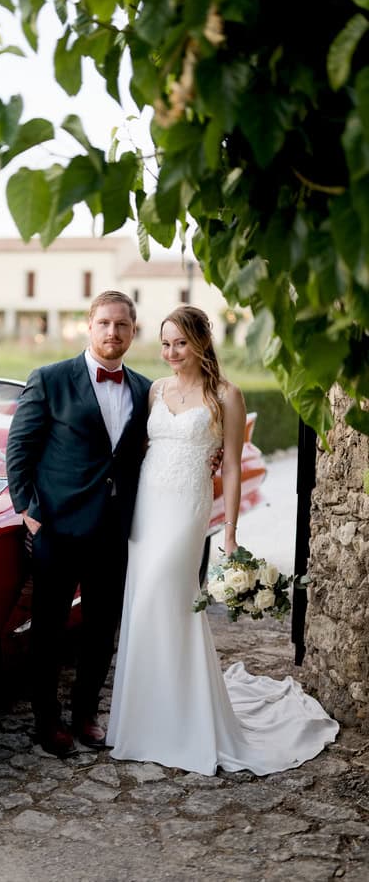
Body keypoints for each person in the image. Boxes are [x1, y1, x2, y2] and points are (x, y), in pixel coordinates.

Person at [107, 305, 339, 774]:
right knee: (145, 601)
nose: (172, 352)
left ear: (201, 342)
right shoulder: (154, 390)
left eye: (181, 343)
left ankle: (185, 721)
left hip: (186, 509)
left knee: (166, 593)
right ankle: (147, 715)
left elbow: (232, 465)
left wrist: (230, 531)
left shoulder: (225, 396)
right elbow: (146, 450)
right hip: (147, 507)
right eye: (166, 343)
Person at [5, 291, 151, 757]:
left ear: (133, 331)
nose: (113, 332)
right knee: (47, 631)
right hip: (58, 529)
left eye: (122, 325)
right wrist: (29, 511)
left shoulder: (146, 390)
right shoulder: (49, 379)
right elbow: (19, 449)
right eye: (105, 323)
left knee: (101, 629)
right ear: (89, 326)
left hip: (113, 530)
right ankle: (47, 723)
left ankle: (85, 714)